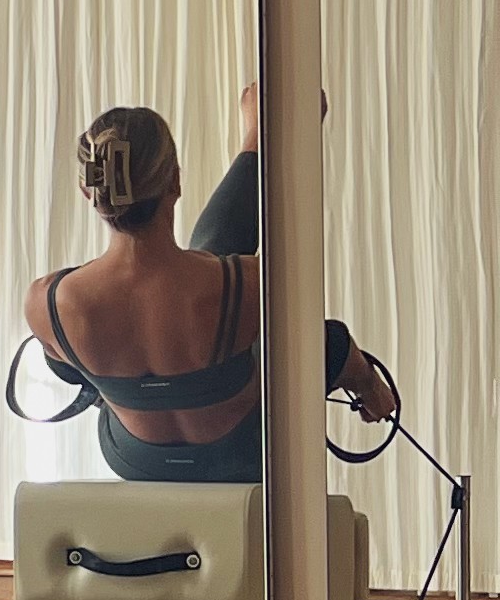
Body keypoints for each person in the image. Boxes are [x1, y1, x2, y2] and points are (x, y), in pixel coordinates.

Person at [22, 102, 394, 483]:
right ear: (176, 181)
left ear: (88, 191)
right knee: (270, 314)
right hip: (239, 456)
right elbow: (321, 347)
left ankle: (256, 139)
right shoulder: (251, 282)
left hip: (138, 459)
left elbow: (69, 372)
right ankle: (258, 137)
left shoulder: (47, 302)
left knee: (207, 272)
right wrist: (368, 384)